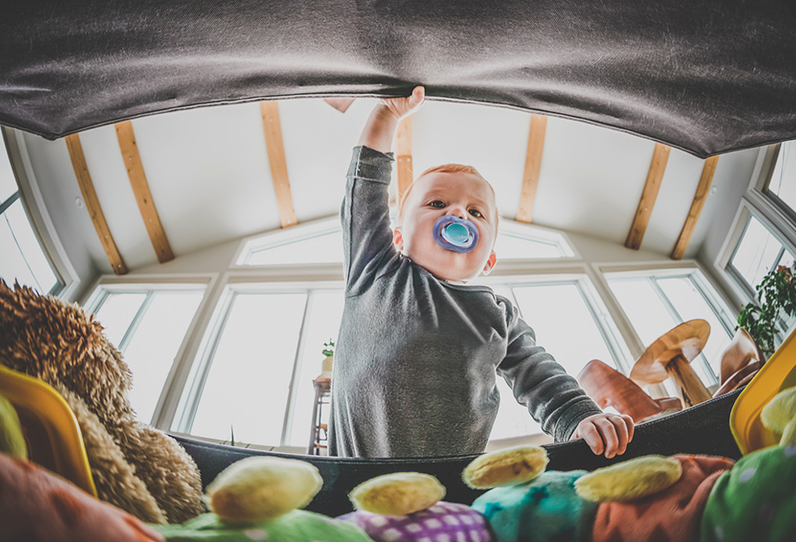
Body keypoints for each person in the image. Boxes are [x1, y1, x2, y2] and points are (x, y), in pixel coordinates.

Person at [328, 86, 634, 459]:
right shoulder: (377, 271)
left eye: (476, 212)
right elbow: (364, 192)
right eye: (437, 203)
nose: (457, 214)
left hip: (449, 489)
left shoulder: (498, 315)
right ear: (398, 238)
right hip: (357, 477)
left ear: (488, 259)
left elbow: (537, 373)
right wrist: (387, 115)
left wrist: (577, 416)